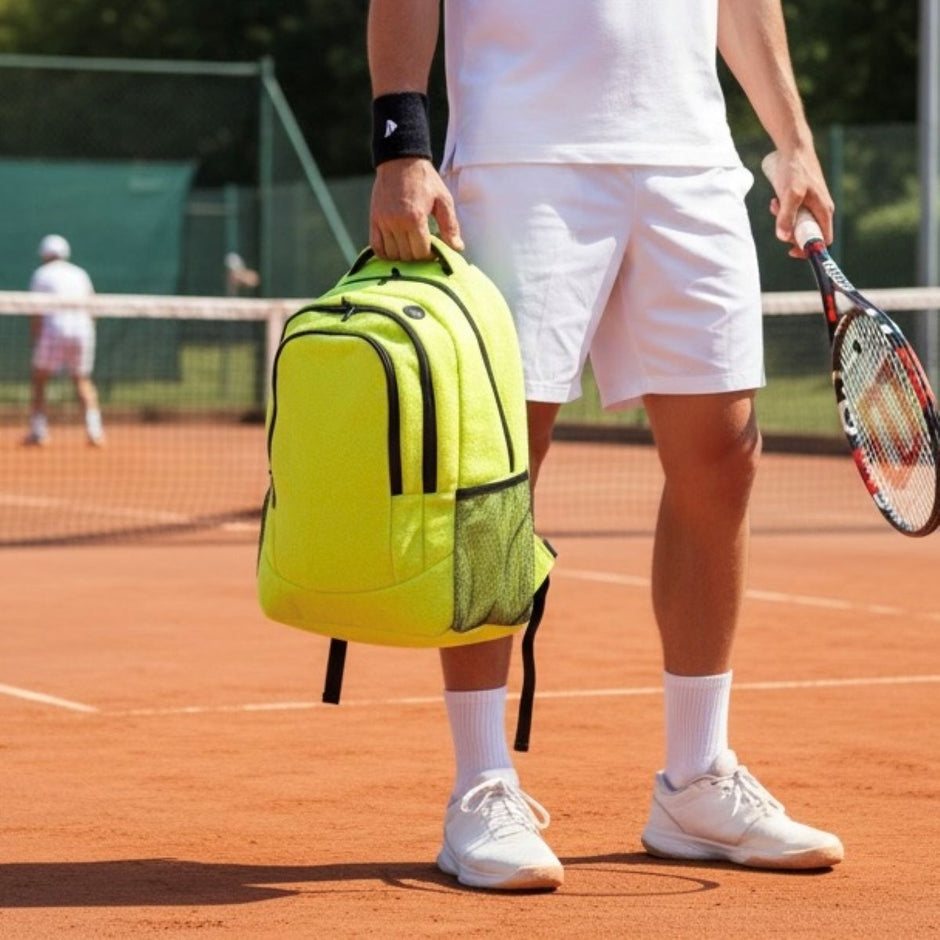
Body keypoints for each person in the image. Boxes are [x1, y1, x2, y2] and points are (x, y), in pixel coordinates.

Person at [367, 0, 844, 890]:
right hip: (522, 157)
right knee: (499, 469)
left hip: (693, 160)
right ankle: (481, 785)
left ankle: (696, 782)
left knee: (725, 455)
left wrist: (793, 136)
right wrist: (402, 144)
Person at [23, 234, 105, 448]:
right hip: (83, 330)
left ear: (44, 254)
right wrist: (87, 333)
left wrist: (36, 337)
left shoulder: (41, 274)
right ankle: (95, 432)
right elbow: (93, 306)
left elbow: (36, 311)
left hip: (53, 331)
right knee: (82, 379)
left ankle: (38, 432)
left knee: (40, 379)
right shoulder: (80, 273)